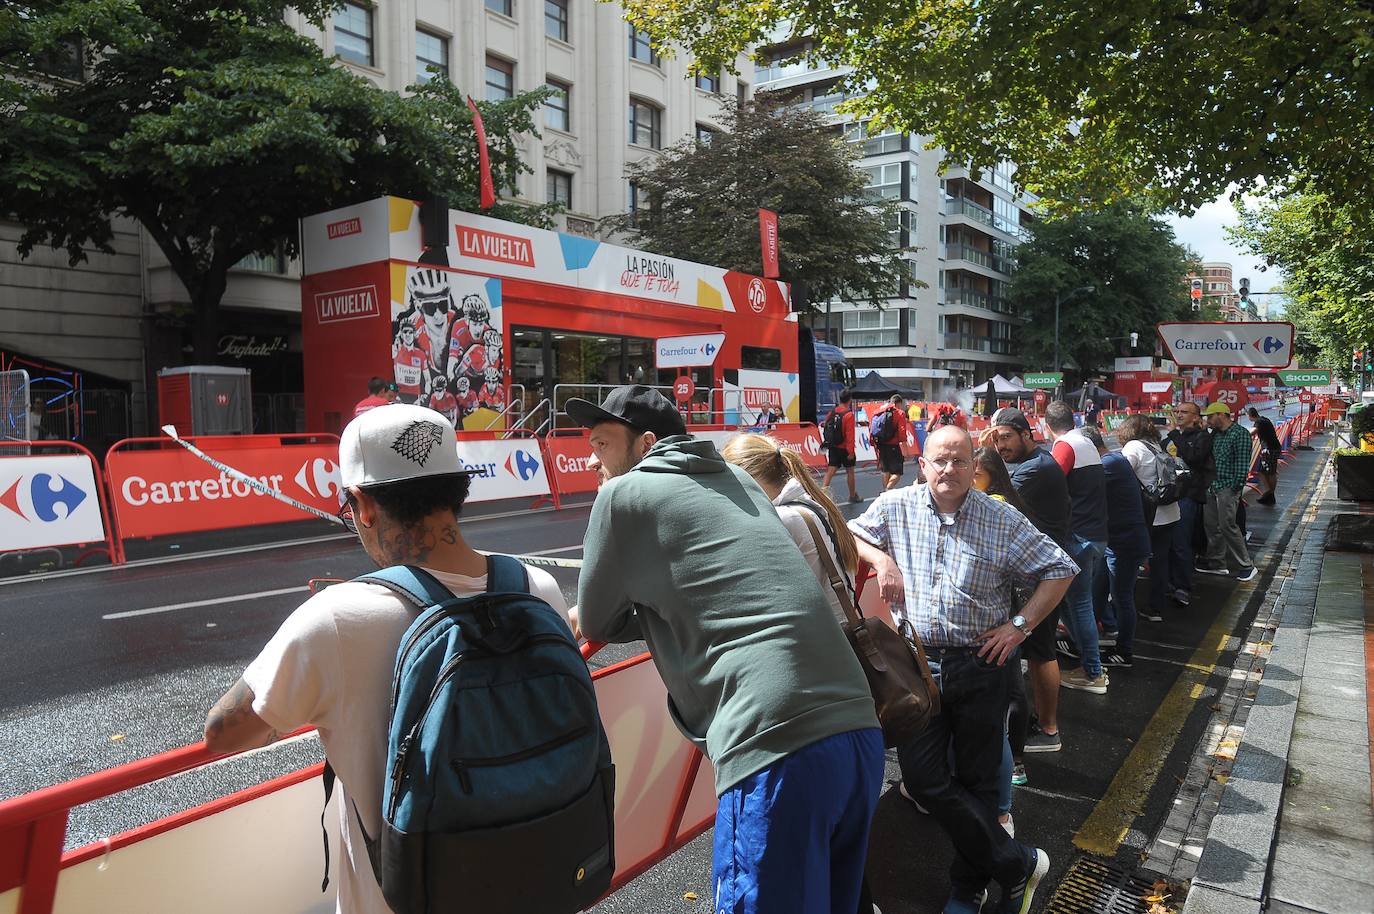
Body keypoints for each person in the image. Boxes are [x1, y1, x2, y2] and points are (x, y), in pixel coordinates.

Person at [203, 404, 570, 914]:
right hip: (535, 877)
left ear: (362, 505)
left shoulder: (334, 620)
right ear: (458, 490)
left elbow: (223, 731)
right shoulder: (538, 588)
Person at [569, 386, 884, 914]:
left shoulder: (623, 496)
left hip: (776, 746)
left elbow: (598, 617)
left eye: (602, 446)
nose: (594, 461)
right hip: (858, 731)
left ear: (645, 444)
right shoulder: (738, 479)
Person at [850, 425, 1076, 914]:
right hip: (918, 666)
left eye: (959, 461)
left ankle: (967, 888)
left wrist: (1019, 627)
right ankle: (1016, 863)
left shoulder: (1002, 518)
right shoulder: (896, 506)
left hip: (982, 664)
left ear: (976, 466)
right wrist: (883, 559)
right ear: (923, 464)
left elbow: (1060, 568)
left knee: (977, 781)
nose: (948, 470)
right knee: (925, 779)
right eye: (939, 460)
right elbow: (850, 535)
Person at [720, 433, 882, 914]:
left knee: (789, 844)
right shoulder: (811, 507)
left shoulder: (784, 520)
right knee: (837, 836)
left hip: (812, 682)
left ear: (749, 479)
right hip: (841, 672)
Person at [983, 407, 1072, 753]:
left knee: (1040, 651)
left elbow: (989, 502)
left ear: (1027, 434)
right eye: (996, 439)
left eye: (1006, 437)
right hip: (1042, 568)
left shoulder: (1034, 470)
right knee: (1037, 651)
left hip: (1042, 575)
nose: (1001, 445)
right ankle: (1042, 723)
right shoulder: (1035, 463)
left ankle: (1048, 730)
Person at [971, 446, 1034, 799]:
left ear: (991, 475)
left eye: (974, 474)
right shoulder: (1003, 500)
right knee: (1010, 687)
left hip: (1003, 615)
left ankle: (1013, 764)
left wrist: (1021, 622)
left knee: (1009, 690)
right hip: (1008, 614)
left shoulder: (996, 507)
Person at [1044, 401, 1111, 694]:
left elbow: (1048, 484)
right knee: (1070, 602)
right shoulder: (1085, 442)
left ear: (1047, 426)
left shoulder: (1064, 446)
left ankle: (1093, 672)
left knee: (1079, 603)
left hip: (1079, 536)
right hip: (1094, 534)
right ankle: (1089, 661)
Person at [1082, 426, 1152, 667]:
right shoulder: (1114, 459)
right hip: (1116, 541)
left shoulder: (1108, 464)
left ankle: (1124, 651)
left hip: (1125, 543)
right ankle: (1088, 638)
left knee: (1122, 597)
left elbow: (1077, 487)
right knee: (1098, 591)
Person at [1116, 415, 1181, 624]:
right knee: (1160, 562)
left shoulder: (1134, 446)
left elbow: (1119, 473)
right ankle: (1156, 607)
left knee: (1130, 562)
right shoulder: (1156, 445)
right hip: (1169, 513)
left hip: (1148, 515)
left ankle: (1124, 607)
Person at [1197, 402, 1257, 581]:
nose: (1208, 420)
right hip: (1213, 485)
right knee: (1212, 526)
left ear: (1220, 415)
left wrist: (1235, 487)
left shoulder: (1240, 434)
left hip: (1227, 487)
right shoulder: (1215, 434)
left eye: (1210, 416)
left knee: (1227, 526)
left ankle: (1246, 565)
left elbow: (1241, 463)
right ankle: (1217, 563)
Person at [1165, 402, 1213, 605]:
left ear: (1195, 417)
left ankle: (1183, 587)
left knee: (1181, 543)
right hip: (1168, 495)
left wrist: (1175, 435)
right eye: (1177, 411)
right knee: (1167, 542)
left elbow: (1193, 458)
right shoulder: (1171, 437)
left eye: (1184, 412)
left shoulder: (1202, 437)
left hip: (1188, 496)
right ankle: (1169, 582)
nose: (1179, 415)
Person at [821, 390, 862, 504]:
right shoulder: (848, 415)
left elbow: (825, 426)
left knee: (830, 470)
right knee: (850, 471)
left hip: (833, 446)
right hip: (844, 447)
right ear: (849, 400)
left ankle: (822, 494)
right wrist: (851, 452)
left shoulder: (832, 412)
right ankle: (852, 495)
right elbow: (850, 436)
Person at [1246, 406, 1282, 505]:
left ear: (1249, 416)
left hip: (1269, 449)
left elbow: (1252, 432)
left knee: (1270, 472)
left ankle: (1270, 494)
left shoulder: (1259, 422)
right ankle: (1268, 494)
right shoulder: (1264, 419)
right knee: (1263, 472)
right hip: (1274, 447)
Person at [873, 394, 909, 491]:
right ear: (898, 403)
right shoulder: (899, 413)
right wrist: (905, 452)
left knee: (886, 470)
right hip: (894, 446)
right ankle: (887, 490)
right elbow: (902, 435)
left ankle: (885, 492)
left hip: (881, 445)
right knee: (897, 473)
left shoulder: (879, 411)